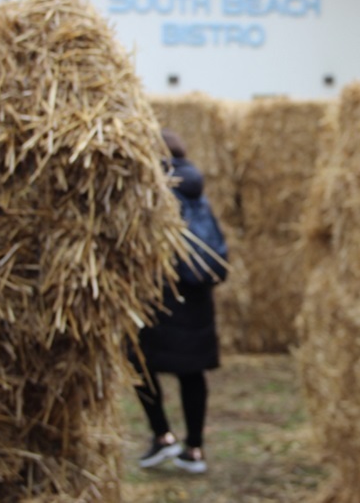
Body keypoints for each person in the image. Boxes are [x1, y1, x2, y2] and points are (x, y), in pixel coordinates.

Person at [131, 128, 221, 474]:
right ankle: (194, 448)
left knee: (139, 362)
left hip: (161, 290)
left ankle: (162, 435)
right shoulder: (195, 187)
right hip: (196, 292)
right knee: (191, 371)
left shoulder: (157, 188)